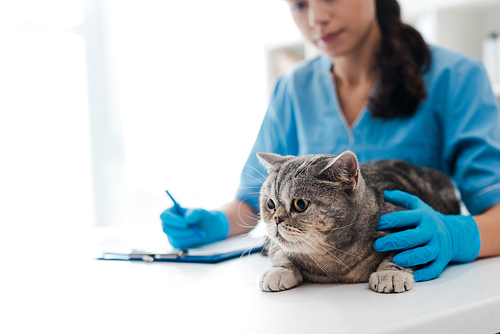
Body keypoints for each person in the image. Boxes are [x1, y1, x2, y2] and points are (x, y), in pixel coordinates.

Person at [160, 0, 500, 282]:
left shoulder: (456, 78)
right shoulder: (293, 88)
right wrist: (214, 222)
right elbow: (253, 203)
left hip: (410, 288)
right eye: (299, 5)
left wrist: (457, 236)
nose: (316, 18)